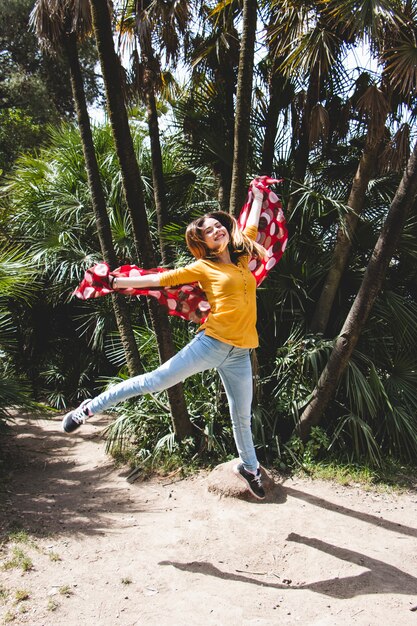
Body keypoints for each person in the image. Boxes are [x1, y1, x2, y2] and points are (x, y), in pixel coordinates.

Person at [62, 183, 268, 499]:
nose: (216, 231)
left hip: (241, 352)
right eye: (208, 231)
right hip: (211, 345)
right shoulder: (204, 267)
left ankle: (249, 467)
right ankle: (89, 408)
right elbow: (164, 278)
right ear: (202, 242)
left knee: (241, 415)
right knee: (155, 381)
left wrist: (256, 198)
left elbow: (250, 229)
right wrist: (118, 281)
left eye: (218, 226)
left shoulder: (241, 260)